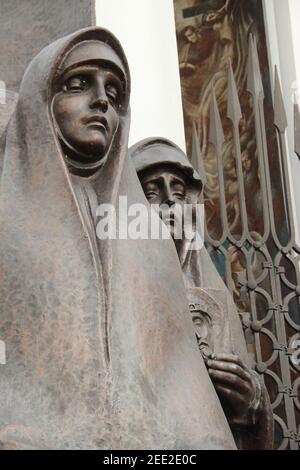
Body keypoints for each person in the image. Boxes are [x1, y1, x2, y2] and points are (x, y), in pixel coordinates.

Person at [0, 27, 236, 449]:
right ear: (42, 99)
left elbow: (179, 379)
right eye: (79, 84)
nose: (102, 100)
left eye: (114, 90)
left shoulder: (152, 244)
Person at [130, 137, 274, 450]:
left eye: (179, 192)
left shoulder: (215, 298)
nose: (170, 201)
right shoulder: (117, 293)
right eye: (152, 191)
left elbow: (247, 426)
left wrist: (252, 402)